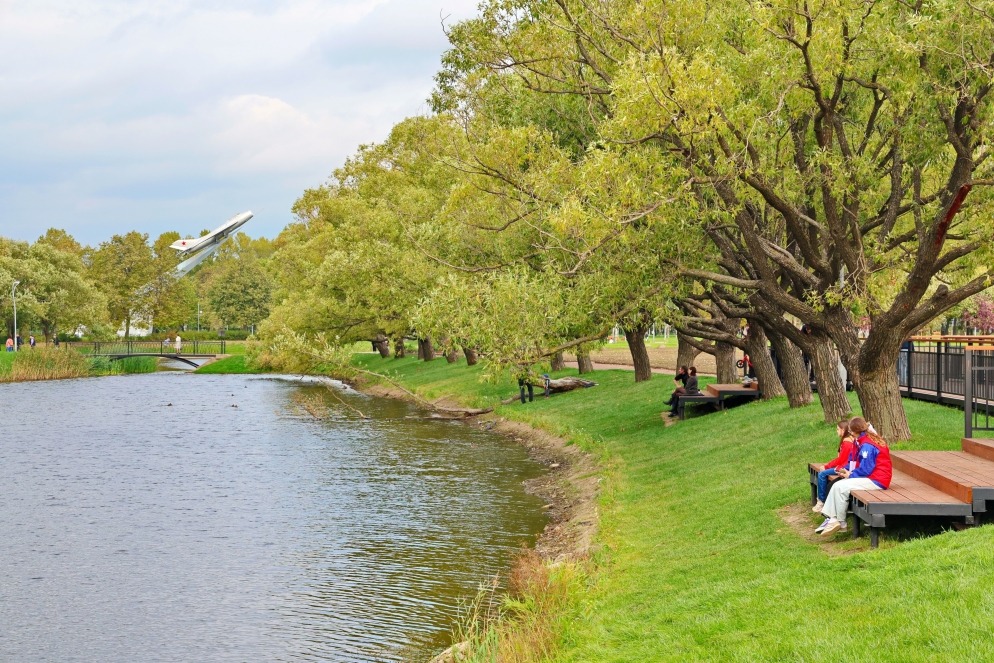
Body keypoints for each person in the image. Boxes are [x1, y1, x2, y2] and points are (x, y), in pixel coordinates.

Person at [817, 417, 892, 535]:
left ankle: (840, 522)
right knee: (837, 485)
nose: (850, 434)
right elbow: (856, 461)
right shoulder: (863, 441)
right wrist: (845, 470)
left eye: (851, 431)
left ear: (856, 431)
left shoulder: (867, 445)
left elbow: (866, 469)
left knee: (840, 487)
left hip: (876, 480)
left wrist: (851, 475)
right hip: (872, 477)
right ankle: (832, 519)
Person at [812, 420, 858, 514]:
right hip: (845, 466)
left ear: (843, 430)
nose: (836, 431)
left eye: (837, 429)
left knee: (822, 474)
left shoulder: (847, 443)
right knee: (823, 473)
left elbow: (841, 460)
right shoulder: (848, 441)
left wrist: (826, 466)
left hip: (844, 468)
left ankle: (821, 502)